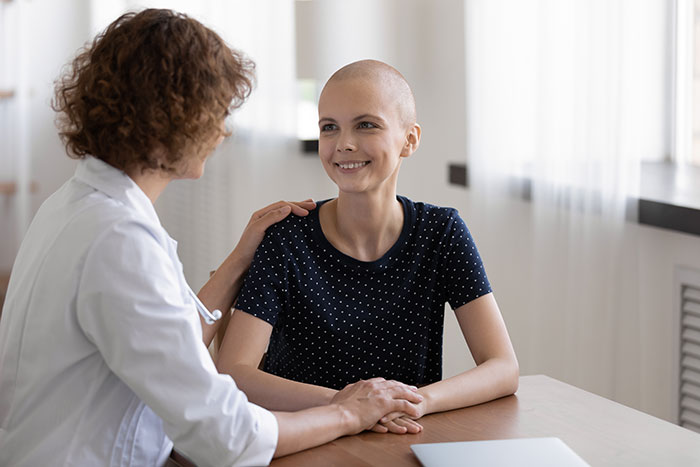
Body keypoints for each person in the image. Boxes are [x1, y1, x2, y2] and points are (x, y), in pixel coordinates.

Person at [0, 12, 424, 467]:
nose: (222, 131)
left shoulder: (76, 205)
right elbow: (227, 437)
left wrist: (240, 258)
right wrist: (346, 412)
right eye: (217, 113)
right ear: (172, 117)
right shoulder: (118, 240)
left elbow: (167, 339)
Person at [216, 60, 520, 433]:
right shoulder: (285, 238)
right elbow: (234, 373)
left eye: (366, 125)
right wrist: (346, 405)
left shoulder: (441, 232)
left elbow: (503, 367)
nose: (344, 143)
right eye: (330, 127)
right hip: (303, 440)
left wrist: (417, 401)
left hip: (402, 439)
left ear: (410, 139)